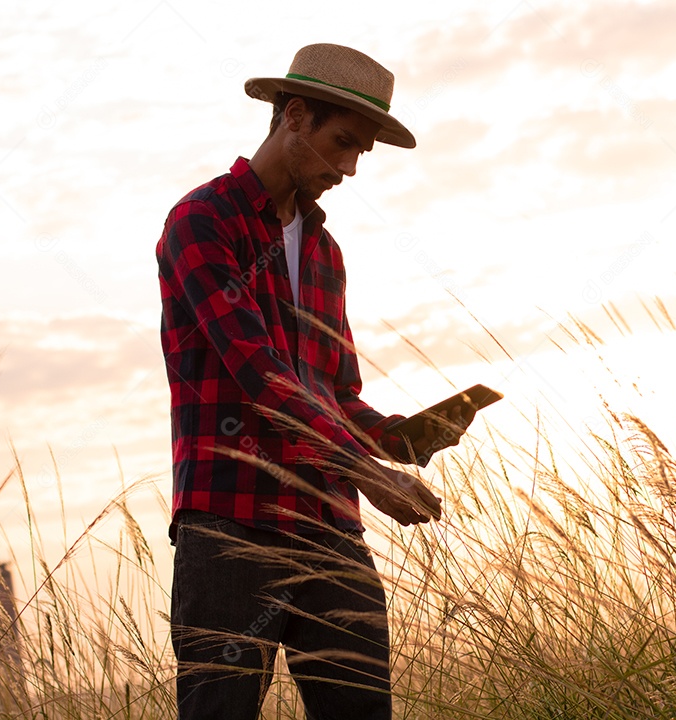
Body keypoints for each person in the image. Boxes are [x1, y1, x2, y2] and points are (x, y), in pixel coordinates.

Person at [155, 44, 474, 719]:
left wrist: (406, 440)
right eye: (342, 143)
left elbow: (337, 392)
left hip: (330, 527)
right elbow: (260, 376)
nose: (350, 167)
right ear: (294, 116)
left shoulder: (325, 252)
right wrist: (371, 473)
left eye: (361, 152)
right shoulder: (201, 222)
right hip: (230, 523)